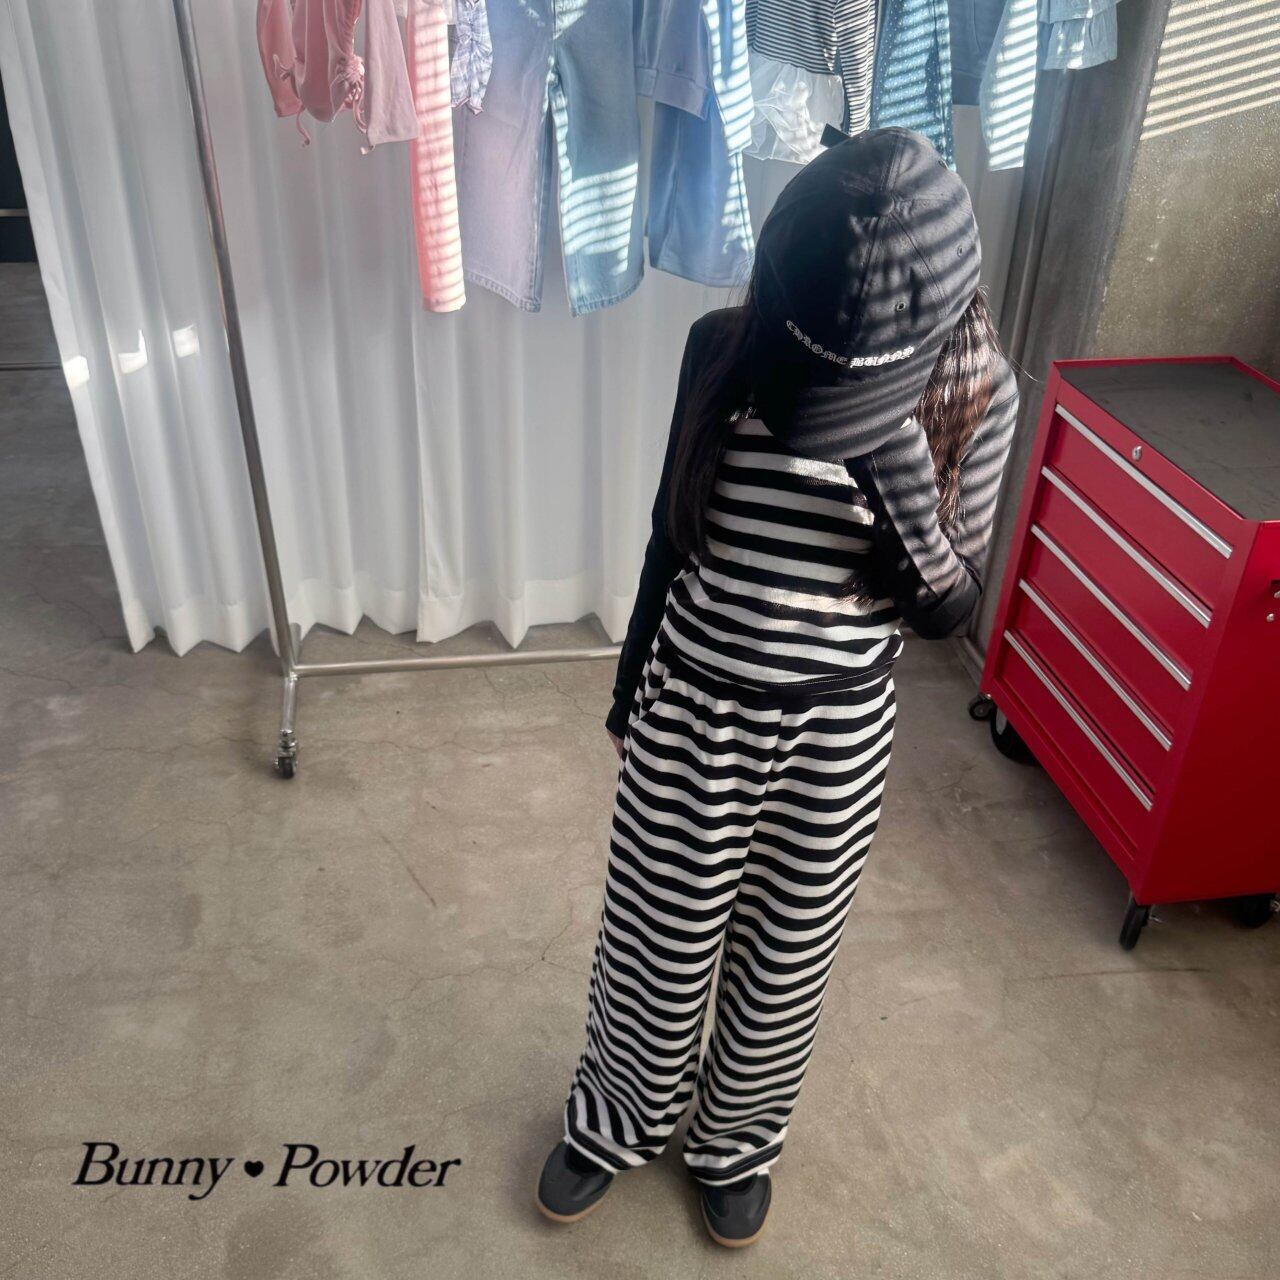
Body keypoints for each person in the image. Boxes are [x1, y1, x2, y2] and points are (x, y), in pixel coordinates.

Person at [536, 127, 1018, 1247]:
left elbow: (947, 608)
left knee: (783, 955)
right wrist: (629, 688)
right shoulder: (723, 347)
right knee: (654, 937)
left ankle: (735, 1140)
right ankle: (618, 1115)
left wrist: (895, 463)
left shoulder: (974, 394)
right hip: (693, 704)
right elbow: (670, 535)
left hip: (835, 733)